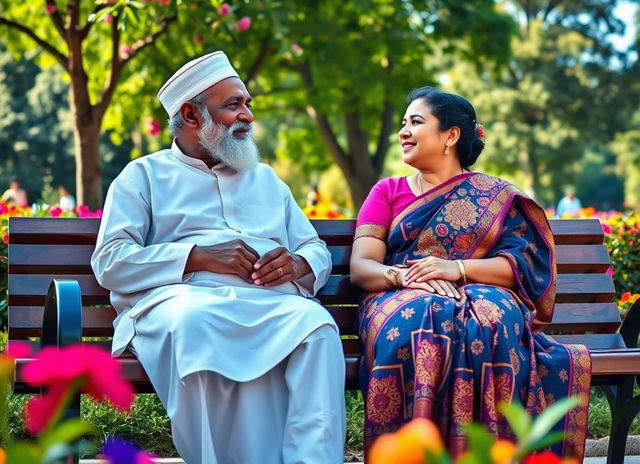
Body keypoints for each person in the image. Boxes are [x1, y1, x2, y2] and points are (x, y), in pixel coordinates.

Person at [91, 51, 346, 464]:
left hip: (272, 303)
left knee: (316, 326)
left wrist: (299, 265)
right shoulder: (143, 176)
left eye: (247, 104)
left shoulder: (265, 179)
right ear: (191, 115)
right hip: (182, 303)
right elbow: (111, 261)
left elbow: (313, 247)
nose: (247, 115)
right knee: (195, 324)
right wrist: (196, 257)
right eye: (233, 105)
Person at [350, 86, 591, 460]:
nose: (403, 132)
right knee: (422, 318)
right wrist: (406, 278)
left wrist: (457, 268)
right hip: (399, 294)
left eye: (415, 122)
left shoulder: (496, 194)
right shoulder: (387, 191)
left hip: (480, 290)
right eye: (403, 123)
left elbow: (521, 265)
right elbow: (362, 268)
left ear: (451, 135)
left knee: (491, 318)